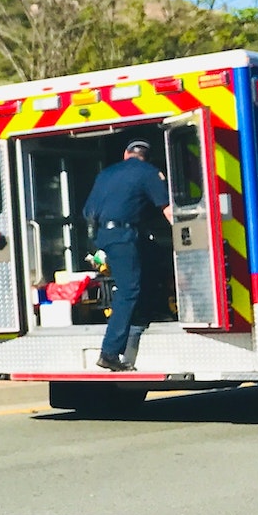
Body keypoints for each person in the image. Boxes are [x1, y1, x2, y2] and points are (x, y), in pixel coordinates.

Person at [82, 139, 173, 371]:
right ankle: (110, 352)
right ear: (147, 157)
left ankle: (146, 313)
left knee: (150, 258)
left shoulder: (106, 173)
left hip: (105, 234)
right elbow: (166, 208)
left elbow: (88, 211)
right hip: (123, 235)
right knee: (128, 289)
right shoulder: (149, 173)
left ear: (126, 154)